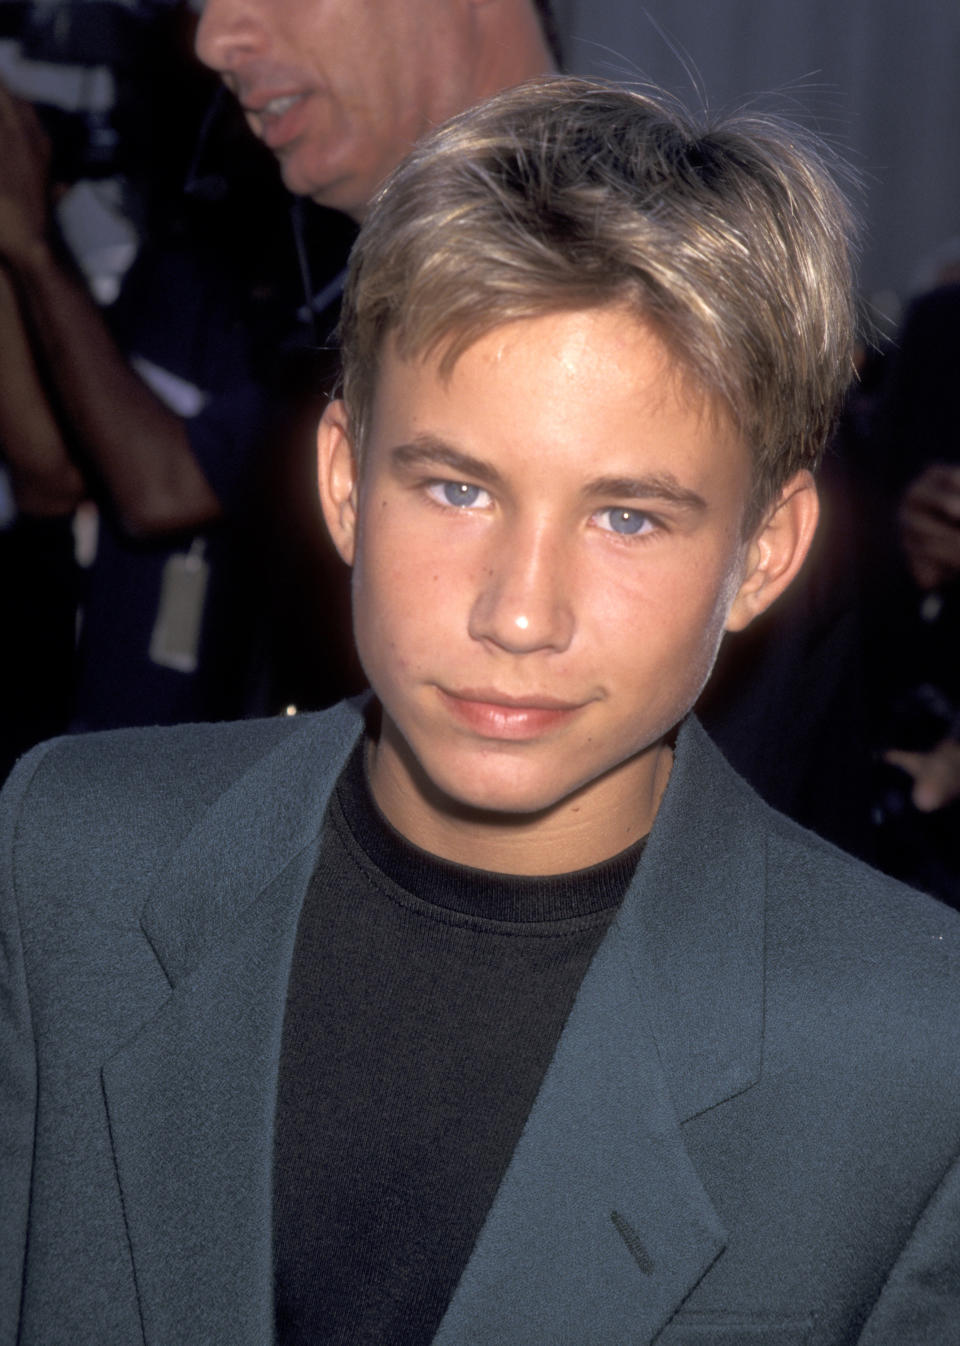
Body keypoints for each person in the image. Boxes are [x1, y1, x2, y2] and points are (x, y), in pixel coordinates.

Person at [3, 78, 960, 1346]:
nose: (521, 613)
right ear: (346, 482)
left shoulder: (909, 1047)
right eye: (456, 488)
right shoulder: (72, 853)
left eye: (628, 516)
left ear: (766, 554)